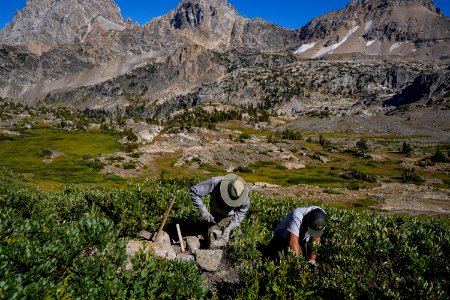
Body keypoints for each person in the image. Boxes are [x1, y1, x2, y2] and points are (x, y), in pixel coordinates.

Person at [190, 173, 250, 249]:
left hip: (229, 217)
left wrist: (230, 227)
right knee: (213, 239)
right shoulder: (214, 182)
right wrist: (204, 212)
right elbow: (194, 191)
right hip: (215, 214)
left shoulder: (243, 194)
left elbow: (242, 211)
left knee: (235, 240)